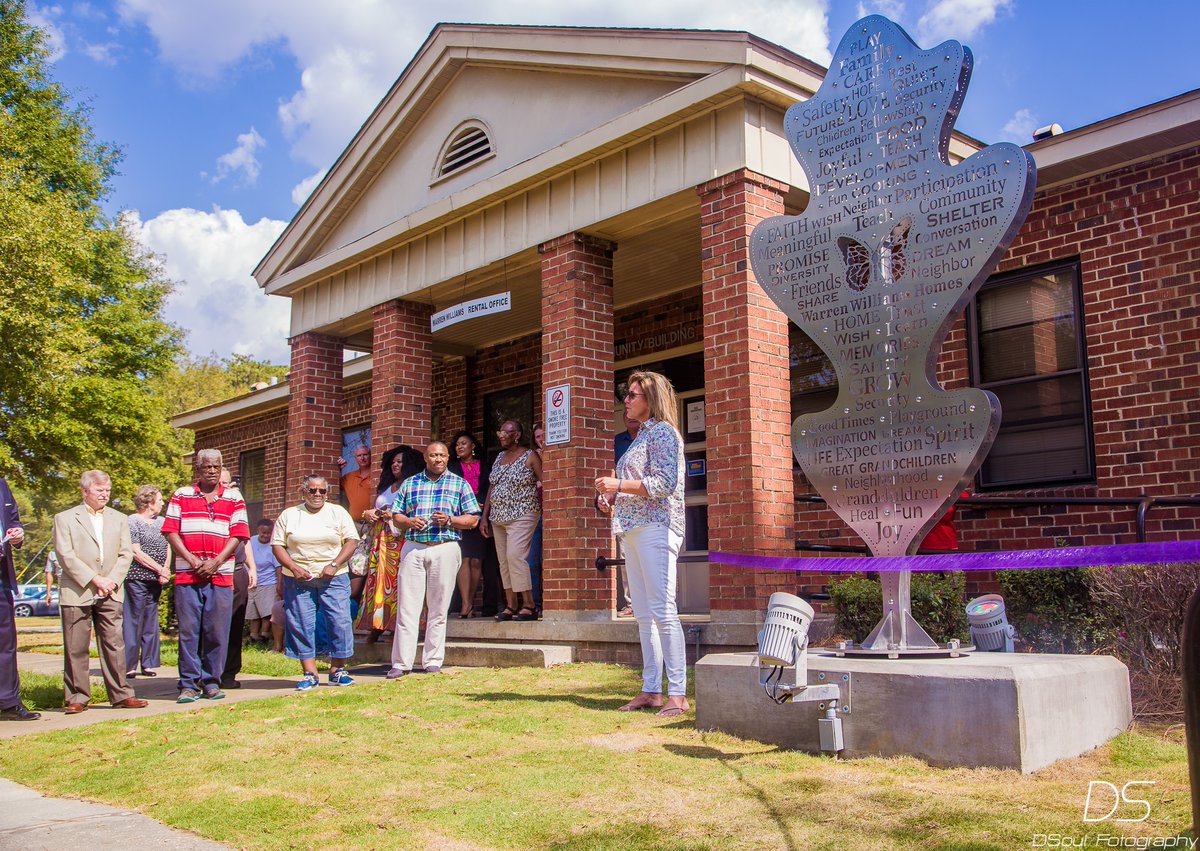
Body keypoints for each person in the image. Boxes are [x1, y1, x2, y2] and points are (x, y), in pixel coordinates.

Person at [595, 370, 688, 717]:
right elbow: (636, 485)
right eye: (627, 394)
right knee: (644, 615)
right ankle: (651, 690)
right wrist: (612, 498)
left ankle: (677, 694)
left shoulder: (664, 433)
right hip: (633, 529)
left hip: (657, 527)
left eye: (633, 395)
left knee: (663, 611)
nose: (627, 400)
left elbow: (664, 484)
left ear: (651, 400)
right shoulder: (640, 438)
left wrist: (617, 484)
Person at [52, 470, 149, 714]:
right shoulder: (65, 518)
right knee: (76, 646)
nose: (105, 494)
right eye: (99, 490)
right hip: (78, 590)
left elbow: (126, 554)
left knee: (114, 644)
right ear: (85, 491)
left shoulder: (119, 518)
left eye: (107, 490)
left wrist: (112, 581)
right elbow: (65, 555)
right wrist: (94, 579)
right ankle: (77, 696)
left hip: (111, 590)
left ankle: (122, 694)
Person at [162, 449, 250, 703]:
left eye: (216, 466)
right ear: (198, 469)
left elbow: (239, 533)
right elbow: (170, 531)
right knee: (189, 631)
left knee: (216, 631)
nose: (212, 471)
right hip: (188, 575)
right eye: (207, 466)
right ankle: (188, 684)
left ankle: (212, 681)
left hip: (221, 574)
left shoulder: (233, 497)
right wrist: (192, 561)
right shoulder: (181, 495)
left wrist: (216, 562)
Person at [386, 442, 480, 679]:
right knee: (408, 608)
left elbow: (472, 519)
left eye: (442, 455)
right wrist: (409, 522)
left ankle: (433, 660)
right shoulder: (410, 483)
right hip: (414, 548)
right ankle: (401, 663)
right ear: (426, 458)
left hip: (445, 548)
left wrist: (450, 520)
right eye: (433, 455)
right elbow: (396, 516)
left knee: (439, 608)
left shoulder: (459, 483)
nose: (438, 459)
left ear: (447, 458)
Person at [272, 475, 360, 690]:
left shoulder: (338, 512)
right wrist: (294, 568)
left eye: (322, 491)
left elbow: (352, 540)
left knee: (340, 621)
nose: (317, 494)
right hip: (299, 579)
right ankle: (309, 673)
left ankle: (337, 670)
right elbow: (277, 545)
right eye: (312, 490)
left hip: (334, 576)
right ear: (303, 492)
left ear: (327, 493)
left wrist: (334, 564)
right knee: (301, 623)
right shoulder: (290, 515)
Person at [357, 445, 424, 640]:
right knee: (378, 582)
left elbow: (413, 512)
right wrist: (370, 513)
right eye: (393, 461)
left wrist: (391, 515)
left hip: (400, 541)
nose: (395, 464)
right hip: (382, 540)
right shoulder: (388, 486)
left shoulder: (413, 484)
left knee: (397, 584)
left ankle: (397, 626)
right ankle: (377, 624)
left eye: (400, 461)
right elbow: (381, 507)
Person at [480, 420, 542, 622]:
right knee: (504, 561)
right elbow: (492, 487)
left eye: (505, 433)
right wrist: (484, 517)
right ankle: (511, 604)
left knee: (515, 556)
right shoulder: (499, 457)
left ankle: (529, 605)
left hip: (524, 513)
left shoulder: (530, 456)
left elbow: (544, 483)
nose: (501, 436)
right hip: (498, 517)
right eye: (500, 432)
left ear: (516, 435)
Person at [123, 485, 171, 679]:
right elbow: (135, 551)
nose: (162, 502)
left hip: (157, 579)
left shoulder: (162, 522)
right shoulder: (132, 521)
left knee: (151, 619)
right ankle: (129, 664)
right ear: (149, 501)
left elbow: (169, 545)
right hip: (137, 577)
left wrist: (165, 569)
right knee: (134, 619)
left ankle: (149, 662)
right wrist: (159, 569)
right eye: (159, 499)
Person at [1, 476, 39, 720]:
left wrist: (17, 534)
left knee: (5, 642)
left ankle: (8, 701)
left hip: (2, 575)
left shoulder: (2, 485)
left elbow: (13, 521)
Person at [220, 470, 257, 690]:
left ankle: (228, 673)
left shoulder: (237, 502)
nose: (229, 486)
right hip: (214, 570)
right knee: (210, 625)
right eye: (225, 483)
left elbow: (245, 537)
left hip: (236, 569)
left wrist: (251, 566)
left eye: (229, 482)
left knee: (234, 623)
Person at [448, 432, 489, 618]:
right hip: (459, 518)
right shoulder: (452, 467)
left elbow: (489, 490)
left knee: (476, 560)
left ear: (473, 446)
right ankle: (465, 603)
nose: (460, 446)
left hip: (481, 517)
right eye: (457, 444)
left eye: (464, 443)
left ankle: (471, 601)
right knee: (464, 559)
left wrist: (481, 505)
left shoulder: (485, 466)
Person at [612, 415, 640, 618]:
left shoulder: (650, 437)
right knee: (626, 555)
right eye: (626, 416)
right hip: (624, 507)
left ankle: (662, 603)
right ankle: (632, 603)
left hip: (649, 504)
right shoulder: (616, 442)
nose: (631, 418)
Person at [248, 518, 280, 642]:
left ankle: (264, 635)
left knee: (267, 612)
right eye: (263, 533)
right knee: (253, 613)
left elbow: (278, 568)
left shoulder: (273, 545)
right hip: (253, 581)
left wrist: (279, 585)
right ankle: (253, 635)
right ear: (258, 530)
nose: (265, 535)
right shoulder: (251, 541)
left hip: (268, 582)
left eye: (268, 533)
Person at [338, 443, 375, 522]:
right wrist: (338, 469)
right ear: (355, 459)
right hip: (354, 524)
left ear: (371, 456)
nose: (362, 458)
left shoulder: (377, 475)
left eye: (365, 454)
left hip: (373, 523)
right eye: (359, 455)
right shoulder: (349, 477)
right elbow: (332, 485)